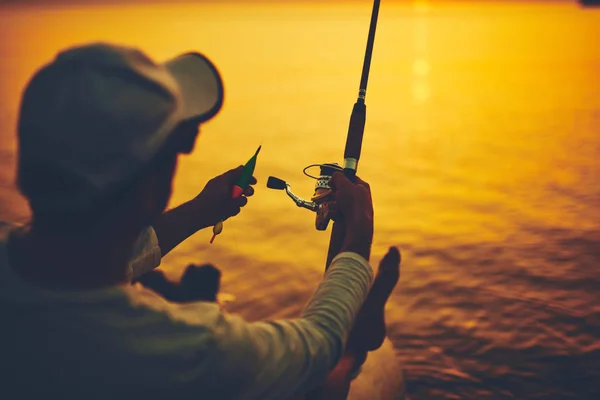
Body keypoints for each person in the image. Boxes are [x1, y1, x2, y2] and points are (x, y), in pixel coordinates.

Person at [0, 42, 400, 399]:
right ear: (151, 187)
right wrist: (358, 232)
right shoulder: (177, 351)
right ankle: (360, 346)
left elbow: (83, 251)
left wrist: (200, 211)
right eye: (178, 147)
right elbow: (316, 346)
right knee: (329, 374)